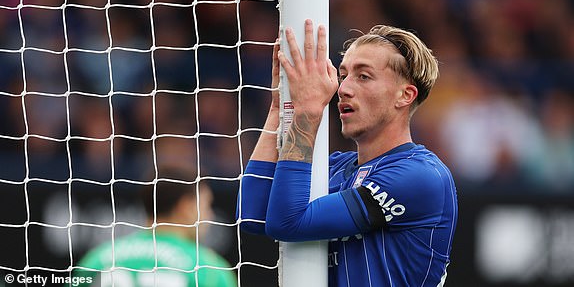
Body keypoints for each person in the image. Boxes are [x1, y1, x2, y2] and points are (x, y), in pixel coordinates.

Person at [237, 19, 458, 286]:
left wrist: (308, 111)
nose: (342, 89)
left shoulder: (420, 175)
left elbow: (287, 223)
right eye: (343, 76)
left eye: (363, 76)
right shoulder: (334, 167)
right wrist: (279, 109)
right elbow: (252, 215)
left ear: (405, 95)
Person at [75, 168, 237, 287]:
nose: (211, 216)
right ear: (186, 207)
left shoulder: (96, 260)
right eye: (206, 205)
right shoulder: (208, 268)